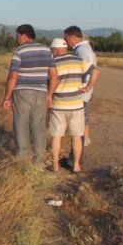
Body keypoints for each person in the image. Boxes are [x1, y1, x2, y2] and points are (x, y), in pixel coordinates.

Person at [3, 24, 53, 164]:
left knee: (21, 123)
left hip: (23, 92)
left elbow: (13, 76)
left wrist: (7, 97)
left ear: (23, 35)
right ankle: (39, 161)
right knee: (39, 125)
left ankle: (24, 158)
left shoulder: (19, 51)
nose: (16, 38)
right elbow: (54, 74)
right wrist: (49, 94)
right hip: (41, 92)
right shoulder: (46, 50)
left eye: (17, 36)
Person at [46, 38, 98, 172]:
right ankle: (76, 166)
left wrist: (49, 96)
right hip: (76, 105)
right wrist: (88, 87)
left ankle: (55, 166)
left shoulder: (52, 62)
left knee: (56, 136)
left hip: (58, 105)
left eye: (52, 50)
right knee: (76, 136)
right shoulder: (78, 60)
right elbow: (96, 72)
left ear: (56, 49)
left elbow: (50, 81)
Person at [63, 26, 98, 166]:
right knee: (79, 126)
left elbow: (88, 71)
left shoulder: (82, 50)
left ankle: (75, 160)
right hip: (83, 93)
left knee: (77, 128)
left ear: (72, 37)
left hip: (80, 94)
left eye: (66, 38)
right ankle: (74, 158)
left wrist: (82, 86)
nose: (66, 41)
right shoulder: (83, 49)